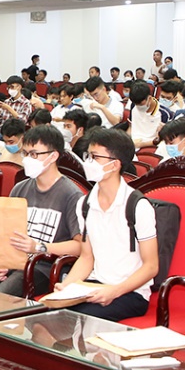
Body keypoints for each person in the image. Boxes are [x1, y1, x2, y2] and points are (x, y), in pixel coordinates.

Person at [0, 124, 83, 298]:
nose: (28, 159)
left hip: (43, 267)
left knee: (0, 297)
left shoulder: (71, 194)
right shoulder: (20, 188)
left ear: (53, 156)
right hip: (12, 259)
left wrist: (38, 247)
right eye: (26, 153)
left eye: (34, 154)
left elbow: (79, 246)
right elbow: (5, 233)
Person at [45, 127, 158, 322]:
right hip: (93, 285)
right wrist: (67, 287)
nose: (88, 162)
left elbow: (151, 266)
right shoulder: (85, 204)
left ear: (114, 164)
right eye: (87, 156)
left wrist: (114, 291)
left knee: (73, 319)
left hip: (130, 292)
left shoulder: (137, 206)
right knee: (45, 314)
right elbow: (86, 257)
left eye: (95, 157)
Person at [126, 80, 167, 147]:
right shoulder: (133, 105)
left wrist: (139, 144)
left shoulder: (164, 113)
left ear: (149, 98)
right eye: (136, 104)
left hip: (152, 146)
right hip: (134, 144)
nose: (138, 106)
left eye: (141, 104)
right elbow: (131, 127)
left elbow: (161, 140)